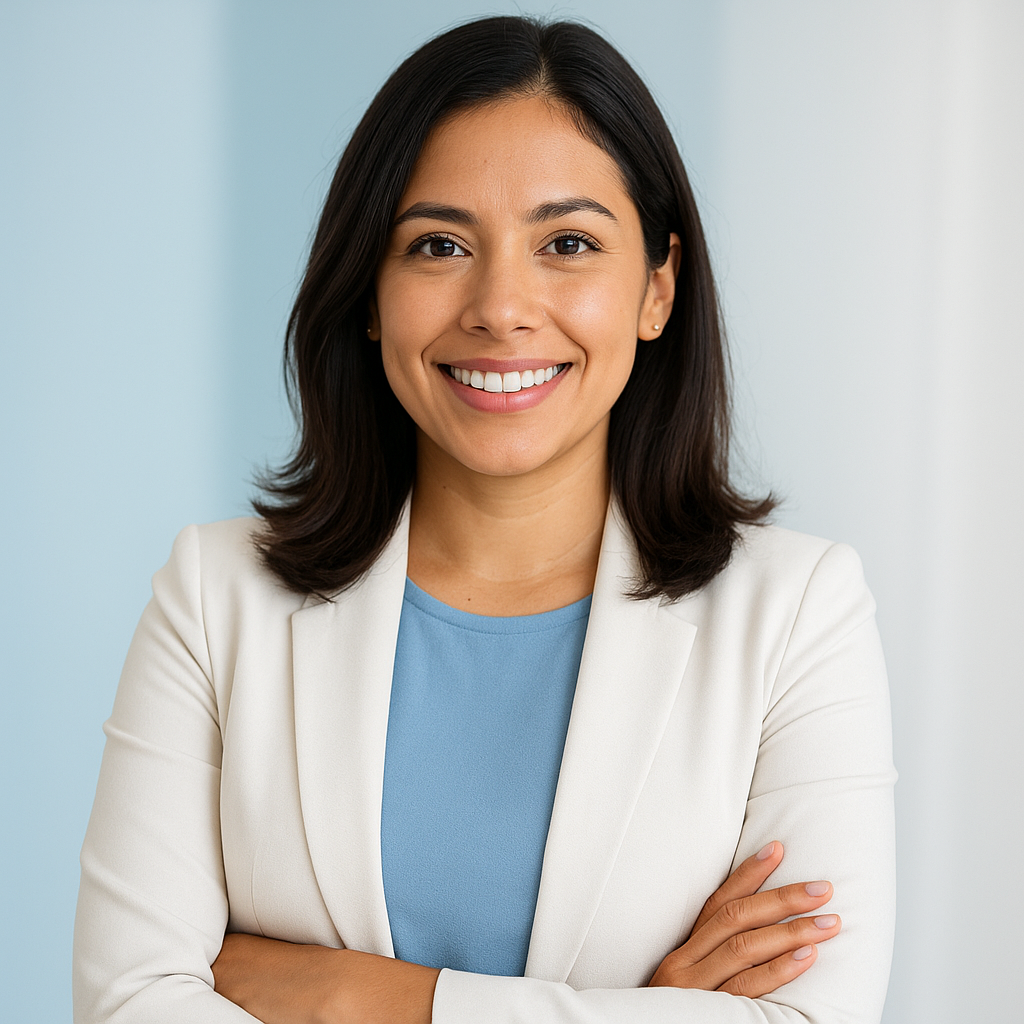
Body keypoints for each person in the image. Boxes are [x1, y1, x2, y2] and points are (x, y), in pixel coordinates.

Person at [72, 15, 896, 1024]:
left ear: (656, 286)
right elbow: (128, 1006)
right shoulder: (212, 596)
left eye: (567, 242)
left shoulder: (796, 614)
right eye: (439, 244)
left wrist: (353, 996)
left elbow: (807, 1018)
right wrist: (633, 1008)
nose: (501, 306)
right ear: (370, 292)